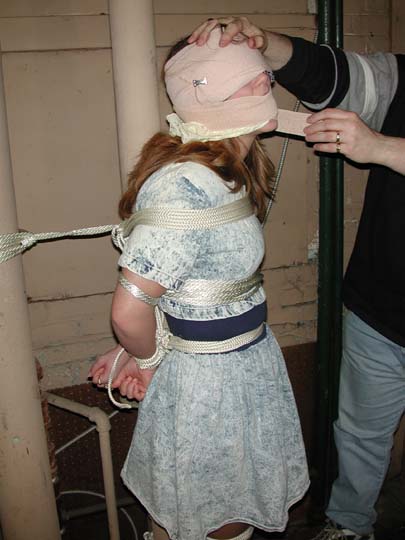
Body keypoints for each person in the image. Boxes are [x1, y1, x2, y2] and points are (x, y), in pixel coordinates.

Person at [187, 15, 405, 540]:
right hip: (380, 307)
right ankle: (349, 524)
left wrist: (381, 148)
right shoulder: (402, 76)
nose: (261, 85)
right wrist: (267, 44)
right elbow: (332, 74)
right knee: (359, 433)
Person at [89, 27, 309, 540]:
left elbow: (184, 281)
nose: (268, 81)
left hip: (239, 366)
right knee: (215, 520)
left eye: (263, 72)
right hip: (209, 386)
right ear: (205, 92)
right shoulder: (184, 185)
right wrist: (149, 360)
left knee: (216, 513)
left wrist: (141, 347)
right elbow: (128, 310)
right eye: (251, 77)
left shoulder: (225, 171)